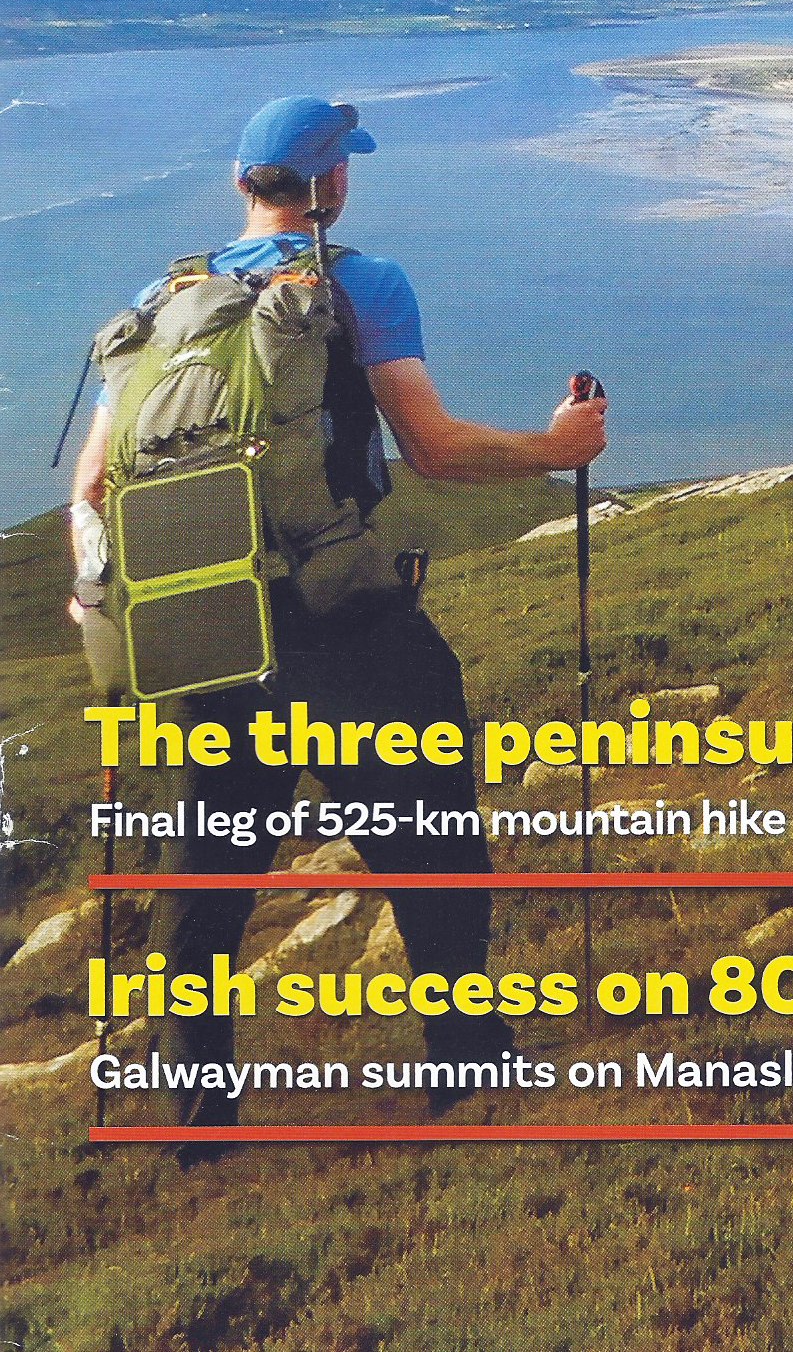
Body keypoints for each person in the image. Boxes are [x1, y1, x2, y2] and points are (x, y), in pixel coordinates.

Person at [67, 94, 606, 1135]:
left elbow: (91, 487)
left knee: (208, 861)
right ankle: (465, 1059)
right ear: (333, 184)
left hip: (202, 625)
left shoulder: (157, 301)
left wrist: (104, 599)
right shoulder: (358, 283)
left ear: (240, 184)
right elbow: (434, 450)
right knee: (430, 833)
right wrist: (562, 447)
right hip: (336, 619)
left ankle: (193, 1107)